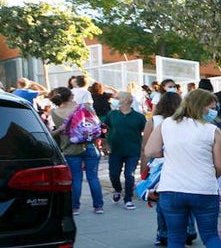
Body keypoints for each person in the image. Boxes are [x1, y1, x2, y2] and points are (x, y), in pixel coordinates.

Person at [143, 88, 221, 248]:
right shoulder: (211, 130)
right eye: (211, 108)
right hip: (204, 189)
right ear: (200, 106)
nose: (213, 111)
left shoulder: (166, 124)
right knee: (211, 235)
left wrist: (172, 152)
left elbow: (151, 151)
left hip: (172, 189)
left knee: (176, 238)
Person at [142, 91, 196, 246]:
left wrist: (144, 168)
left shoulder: (154, 121)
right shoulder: (187, 121)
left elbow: (145, 147)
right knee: (185, 197)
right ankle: (189, 229)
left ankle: (164, 232)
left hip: (159, 165)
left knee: (162, 199)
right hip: (182, 163)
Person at [46, 87, 105, 215]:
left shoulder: (55, 113)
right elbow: (97, 123)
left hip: (70, 148)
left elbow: (52, 132)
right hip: (89, 145)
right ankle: (98, 206)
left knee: (76, 178)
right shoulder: (84, 107)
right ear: (71, 96)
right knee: (93, 177)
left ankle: (75, 207)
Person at [104, 91, 146, 209]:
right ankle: (117, 189)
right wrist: (105, 144)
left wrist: (143, 148)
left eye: (118, 98)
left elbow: (145, 132)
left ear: (127, 100)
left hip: (132, 149)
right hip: (115, 149)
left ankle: (128, 198)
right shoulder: (112, 114)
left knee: (129, 174)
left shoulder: (139, 117)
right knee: (114, 173)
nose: (115, 100)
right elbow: (105, 129)